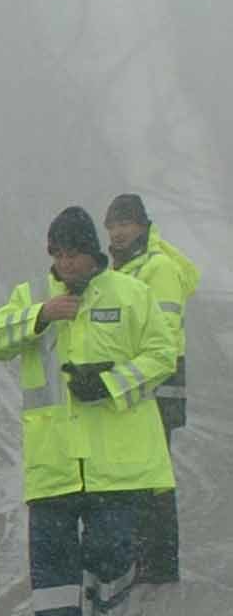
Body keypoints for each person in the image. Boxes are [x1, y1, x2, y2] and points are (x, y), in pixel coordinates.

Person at [0, 206, 178, 616]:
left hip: (118, 465)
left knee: (112, 557)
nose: (66, 264)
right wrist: (39, 316)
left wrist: (109, 383)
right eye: (58, 255)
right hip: (54, 462)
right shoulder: (32, 295)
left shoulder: (131, 294)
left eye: (74, 254)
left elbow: (162, 355)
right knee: (52, 567)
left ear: (94, 254)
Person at [105, 194, 201, 583]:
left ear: (143, 226)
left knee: (153, 477)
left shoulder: (156, 268)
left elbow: (161, 331)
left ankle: (158, 561)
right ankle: (147, 557)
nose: (118, 232)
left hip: (158, 384)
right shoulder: (126, 266)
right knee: (141, 474)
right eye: (113, 225)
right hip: (140, 380)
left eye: (125, 224)